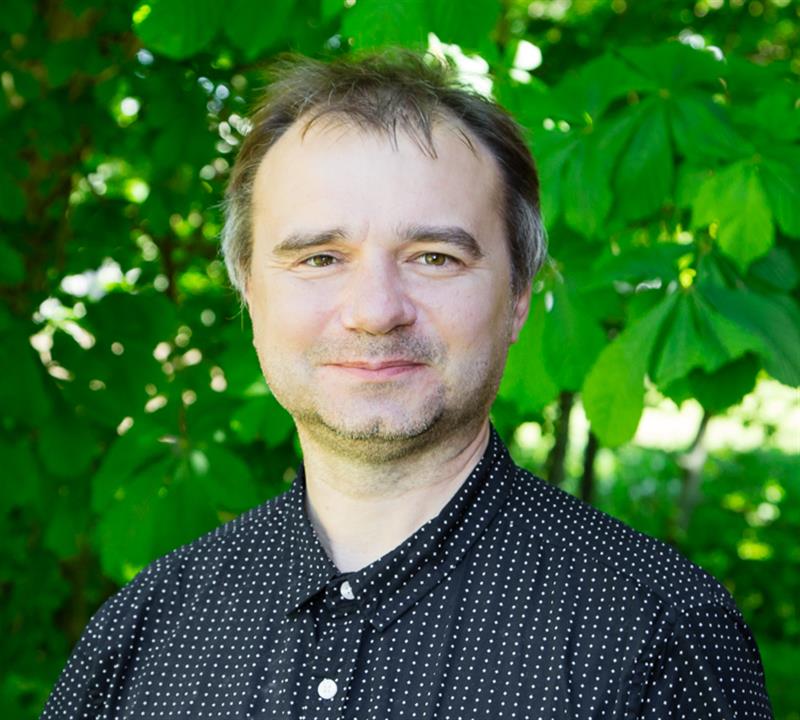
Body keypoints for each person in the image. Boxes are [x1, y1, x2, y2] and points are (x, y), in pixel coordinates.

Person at [42, 50, 773, 720]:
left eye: (433, 257)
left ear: (518, 296)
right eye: (319, 259)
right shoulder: (142, 633)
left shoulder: (660, 634)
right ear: (250, 296)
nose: (375, 311)